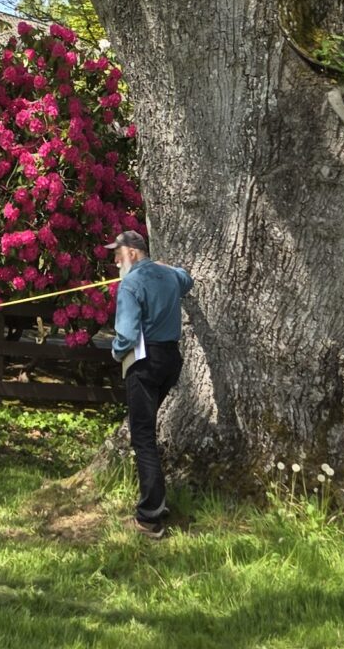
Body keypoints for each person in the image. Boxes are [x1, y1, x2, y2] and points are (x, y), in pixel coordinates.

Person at [108, 227, 192, 539]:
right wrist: (162, 267)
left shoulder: (130, 284)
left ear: (131, 253)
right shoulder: (168, 276)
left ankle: (150, 517)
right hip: (170, 361)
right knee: (146, 431)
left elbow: (127, 335)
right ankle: (156, 502)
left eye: (118, 256)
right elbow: (187, 279)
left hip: (144, 363)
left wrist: (116, 353)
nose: (116, 262)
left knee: (143, 437)